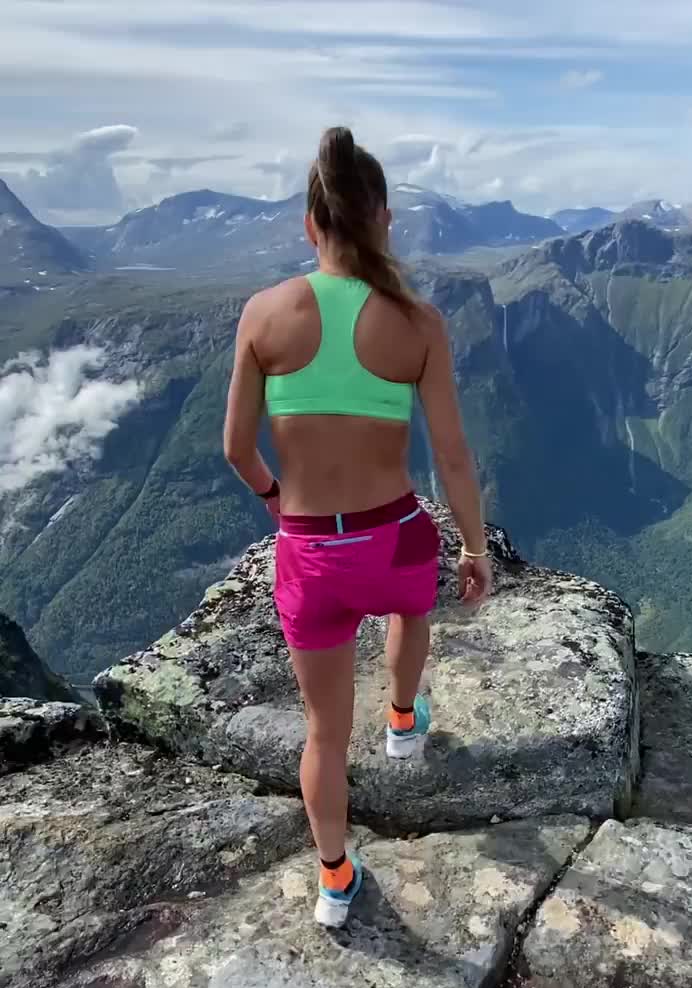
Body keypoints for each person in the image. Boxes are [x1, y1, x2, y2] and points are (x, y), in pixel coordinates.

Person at [224, 126, 492, 929]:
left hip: (309, 551)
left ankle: (334, 879)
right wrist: (475, 549)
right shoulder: (416, 322)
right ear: (381, 217)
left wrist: (275, 495)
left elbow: (236, 448)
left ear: (313, 224)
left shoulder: (265, 315)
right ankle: (405, 721)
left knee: (323, 733)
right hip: (394, 534)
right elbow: (452, 456)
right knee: (412, 609)